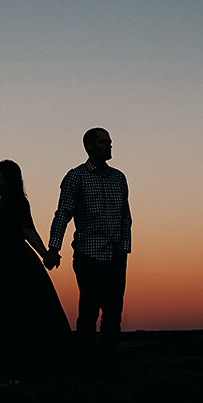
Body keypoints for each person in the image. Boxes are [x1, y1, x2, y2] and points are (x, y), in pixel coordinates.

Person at [44, 128, 131, 366]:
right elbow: (63, 214)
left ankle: (106, 360)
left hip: (115, 255)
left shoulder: (119, 178)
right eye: (104, 142)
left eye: (110, 142)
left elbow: (126, 216)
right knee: (89, 311)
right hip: (88, 254)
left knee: (113, 313)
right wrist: (53, 248)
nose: (110, 146)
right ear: (90, 147)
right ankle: (86, 361)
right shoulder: (76, 177)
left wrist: (124, 247)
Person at [0, 159, 70, 380]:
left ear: (8, 178)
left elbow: (28, 231)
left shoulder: (18, 202)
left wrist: (46, 254)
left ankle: (19, 370)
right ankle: (5, 369)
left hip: (13, 266)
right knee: (3, 316)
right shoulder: (4, 203)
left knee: (15, 316)